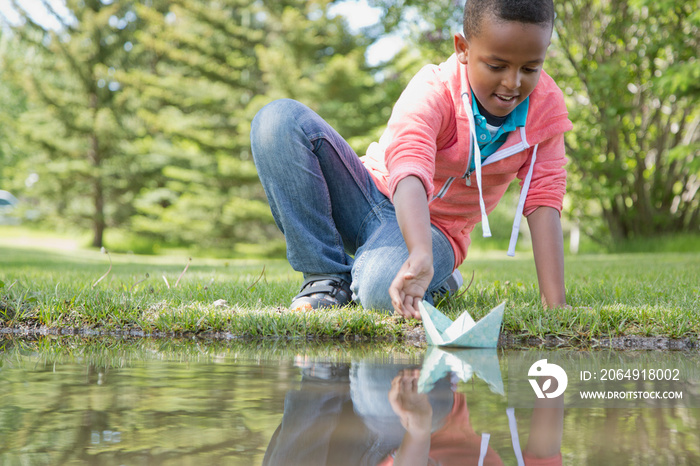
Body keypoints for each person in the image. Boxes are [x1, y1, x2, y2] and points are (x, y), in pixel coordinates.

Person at [251, 0, 571, 317]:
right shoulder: (434, 88)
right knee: (277, 119)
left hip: (438, 230)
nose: (513, 82)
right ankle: (325, 278)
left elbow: (543, 197)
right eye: (497, 66)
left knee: (380, 289)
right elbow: (409, 165)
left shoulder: (546, 109)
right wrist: (418, 252)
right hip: (369, 195)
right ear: (463, 48)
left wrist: (555, 305)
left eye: (530, 68)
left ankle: (435, 276)